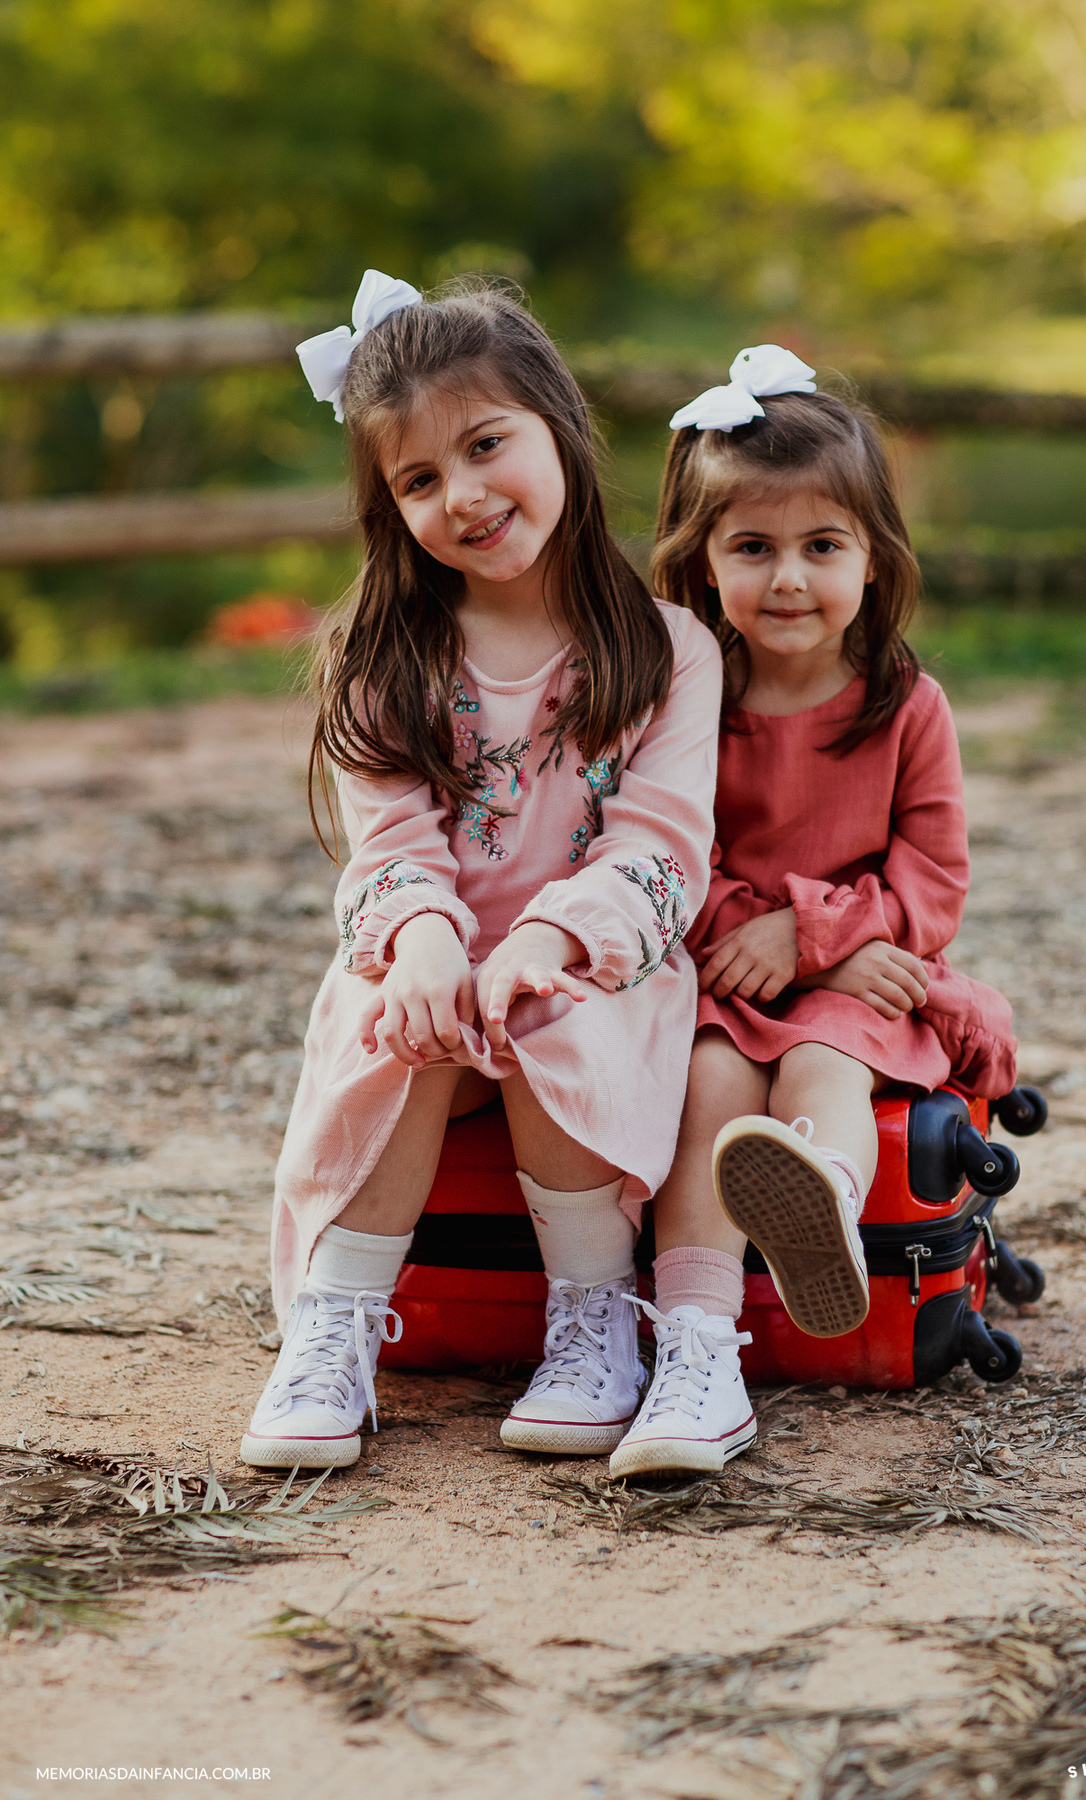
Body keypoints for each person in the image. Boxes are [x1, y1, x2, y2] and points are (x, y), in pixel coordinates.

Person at [241, 272, 722, 1469]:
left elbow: (660, 847)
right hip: (428, 954)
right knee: (393, 1015)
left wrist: (547, 941)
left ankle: (595, 1317)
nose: (462, 495)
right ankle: (335, 1324)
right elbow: (390, 846)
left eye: (485, 445)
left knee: (549, 1006)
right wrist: (426, 942)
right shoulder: (383, 660)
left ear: (558, 422)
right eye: (417, 478)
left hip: (595, 965)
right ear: (387, 506)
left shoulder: (669, 651)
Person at [609, 348, 1017, 1479]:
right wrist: (760, 937)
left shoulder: (907, 706)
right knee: (711, 1091)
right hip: (727, 979)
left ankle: (824, 1204)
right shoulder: (689, 699)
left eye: (821, 547)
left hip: (861, 984)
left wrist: (819, 943)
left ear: (876, 563)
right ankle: (696, 1359)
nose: (790, 578)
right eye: (754, 548)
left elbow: (932, 878)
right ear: (702, 566)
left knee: (824, 1071)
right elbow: (667, 853)